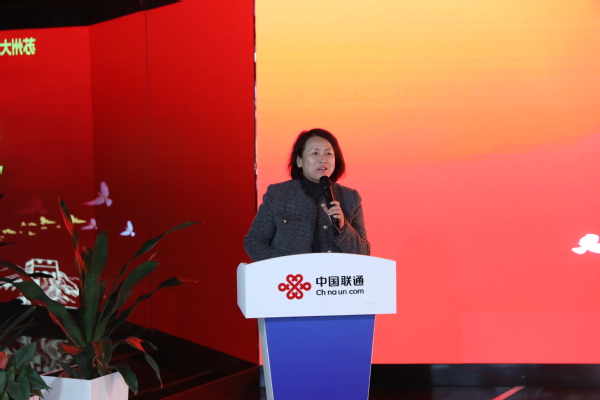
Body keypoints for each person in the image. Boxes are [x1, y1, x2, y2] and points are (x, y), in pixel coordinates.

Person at [244, 128, 370, 262]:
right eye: (315, 153)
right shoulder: (278, 194)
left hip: (334, 275)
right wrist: (284, 267)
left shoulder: (350, 197)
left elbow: (364, 253)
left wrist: (343, 227)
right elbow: (254, 242)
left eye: (328, 153)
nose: (323, 159)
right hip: (289, 275)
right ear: (299, 161)